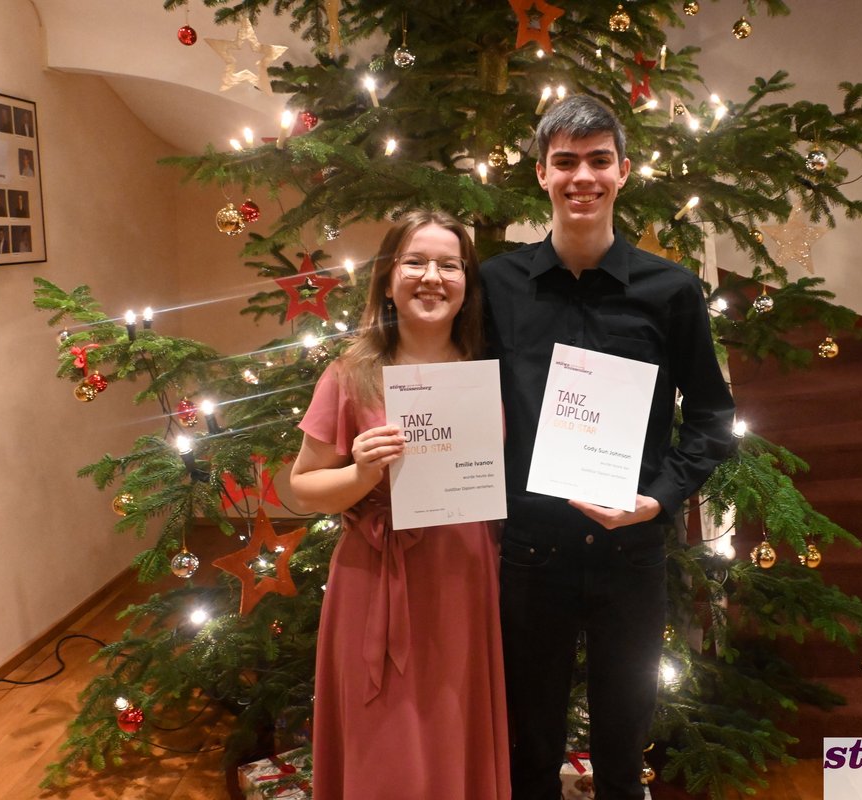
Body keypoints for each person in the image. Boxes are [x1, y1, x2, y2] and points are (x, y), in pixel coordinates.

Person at [481, 96, 735, 799]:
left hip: (631, 554)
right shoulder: (496, 286)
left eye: (599, 160)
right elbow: (462, 395)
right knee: (528, 746)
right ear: (541, 174)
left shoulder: (672, 290)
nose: (582, 177)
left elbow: (713, 418)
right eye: (565, 162)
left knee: (624, 747)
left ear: (623, 171)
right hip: (530, 553)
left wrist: (658, 500)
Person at [290, 210, 510, 800]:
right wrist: (360, 473)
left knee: (453, 728)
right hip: (375, 579)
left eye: (449, 265)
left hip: (464, 577)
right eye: (415, 262)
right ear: (388, 280)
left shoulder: (488, 373)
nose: (432, 277)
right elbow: (303, 487)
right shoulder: (350, 375)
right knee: (385, 742)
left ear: (467, 284)